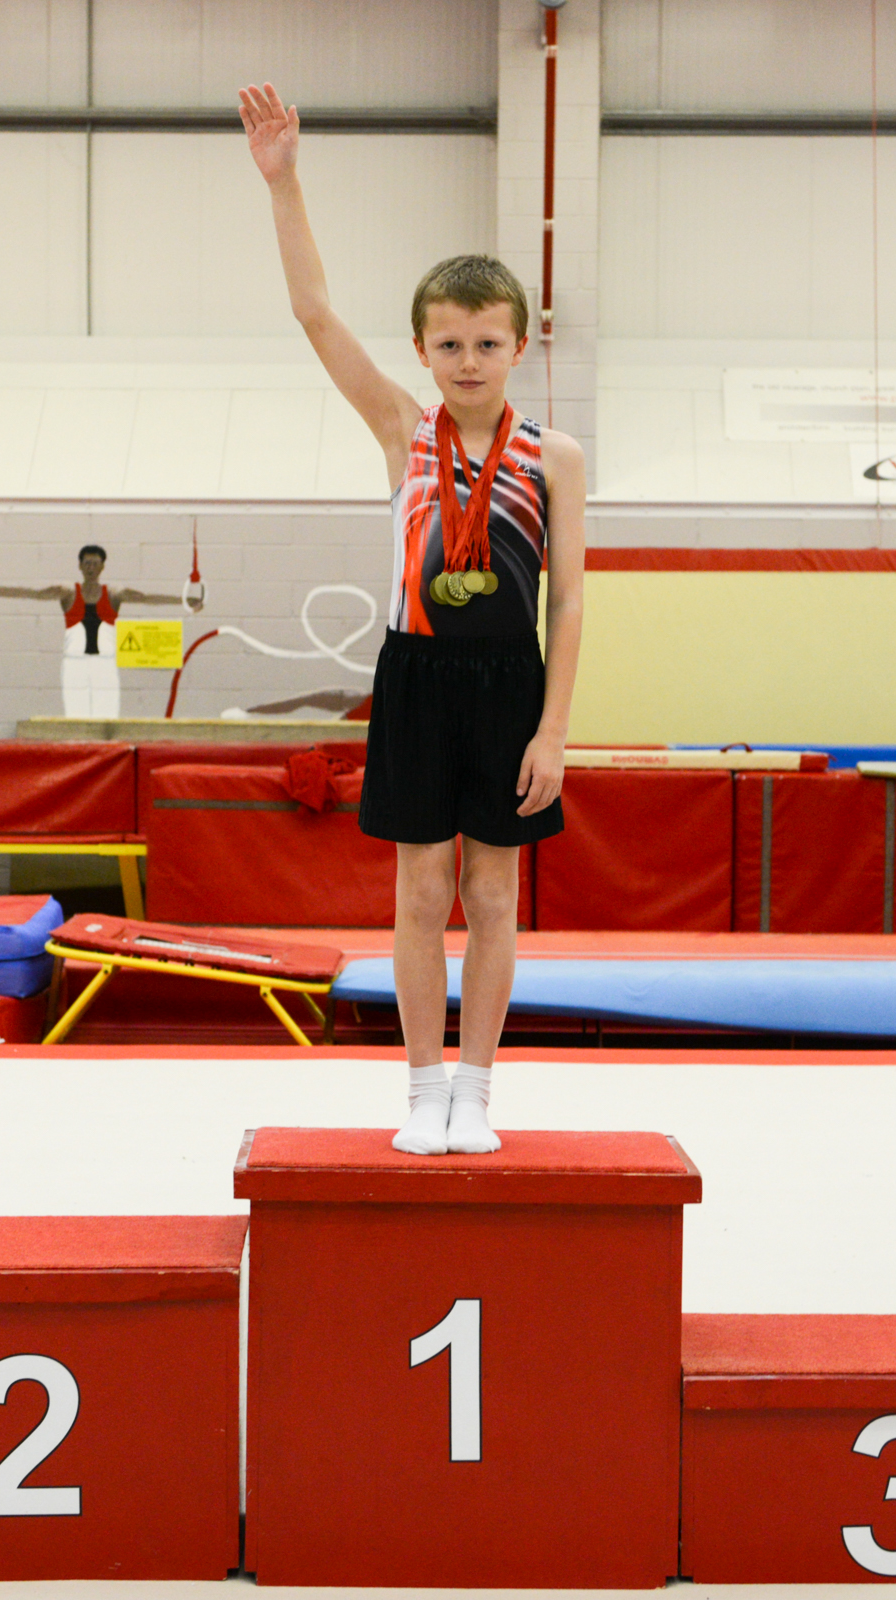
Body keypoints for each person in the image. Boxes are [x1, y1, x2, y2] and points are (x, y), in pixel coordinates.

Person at [241, 81, 585, 1157]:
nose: (468, 362)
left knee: (493, 892)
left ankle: (477, 1090)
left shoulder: (555, 458)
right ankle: (423, 1087)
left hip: (512, 683)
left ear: (519, 347)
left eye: (486, 343)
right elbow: (314, 314)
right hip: (417, 676)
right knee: (421, 890)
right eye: (449, 345)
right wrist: (284, 182)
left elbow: (570, 597)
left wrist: (553, 730)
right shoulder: (403, 428)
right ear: (424, 351)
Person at [0, 544, 202, 718]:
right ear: (79, 566)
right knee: (76, 721)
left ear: (103, 566)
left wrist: (186, 601)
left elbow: (147, 598)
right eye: (87, 563)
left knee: (107, 721)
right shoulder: (68, 592)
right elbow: (30, 593)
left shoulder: (114, 593)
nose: (91, 568)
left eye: (95, 563)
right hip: (74, 666)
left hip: (106, 665)